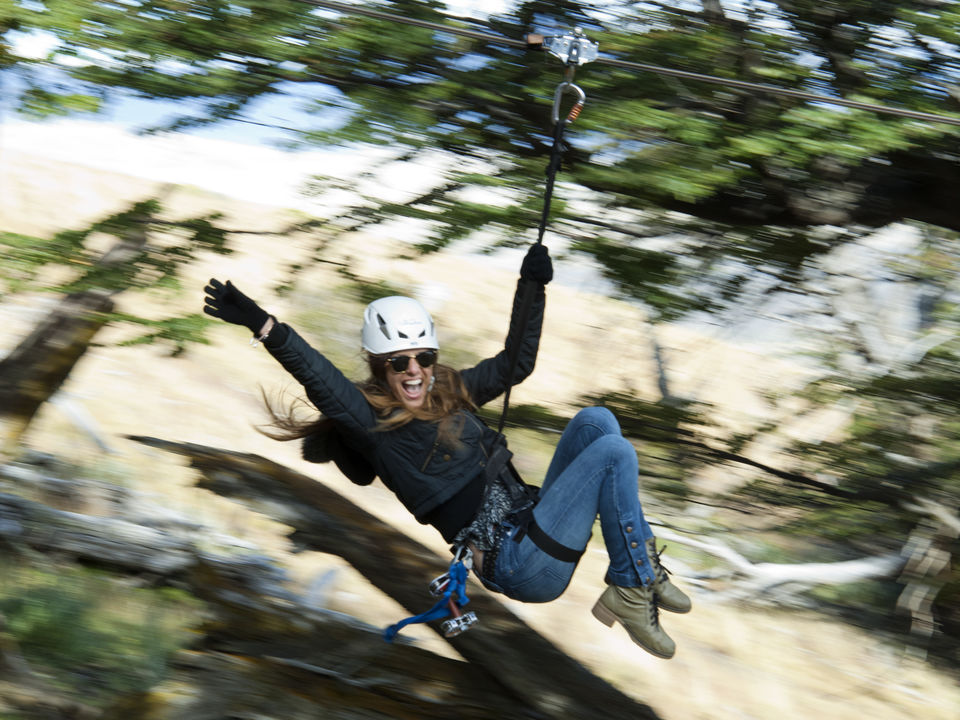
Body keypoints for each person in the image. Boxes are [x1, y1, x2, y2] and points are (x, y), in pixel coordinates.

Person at [202, 243, 691, 658]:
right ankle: (632, 583)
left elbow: (514, 365)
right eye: (399, 362)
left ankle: (638, 570)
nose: (414, 371)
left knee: (596, 423)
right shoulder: (376, 428)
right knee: (615, 454)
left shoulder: (449, 392)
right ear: (380, 368)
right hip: (519, 564)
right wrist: (264, 325)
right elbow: (320, 377)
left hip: (533, 522)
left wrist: (532, 287)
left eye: (424, 358)